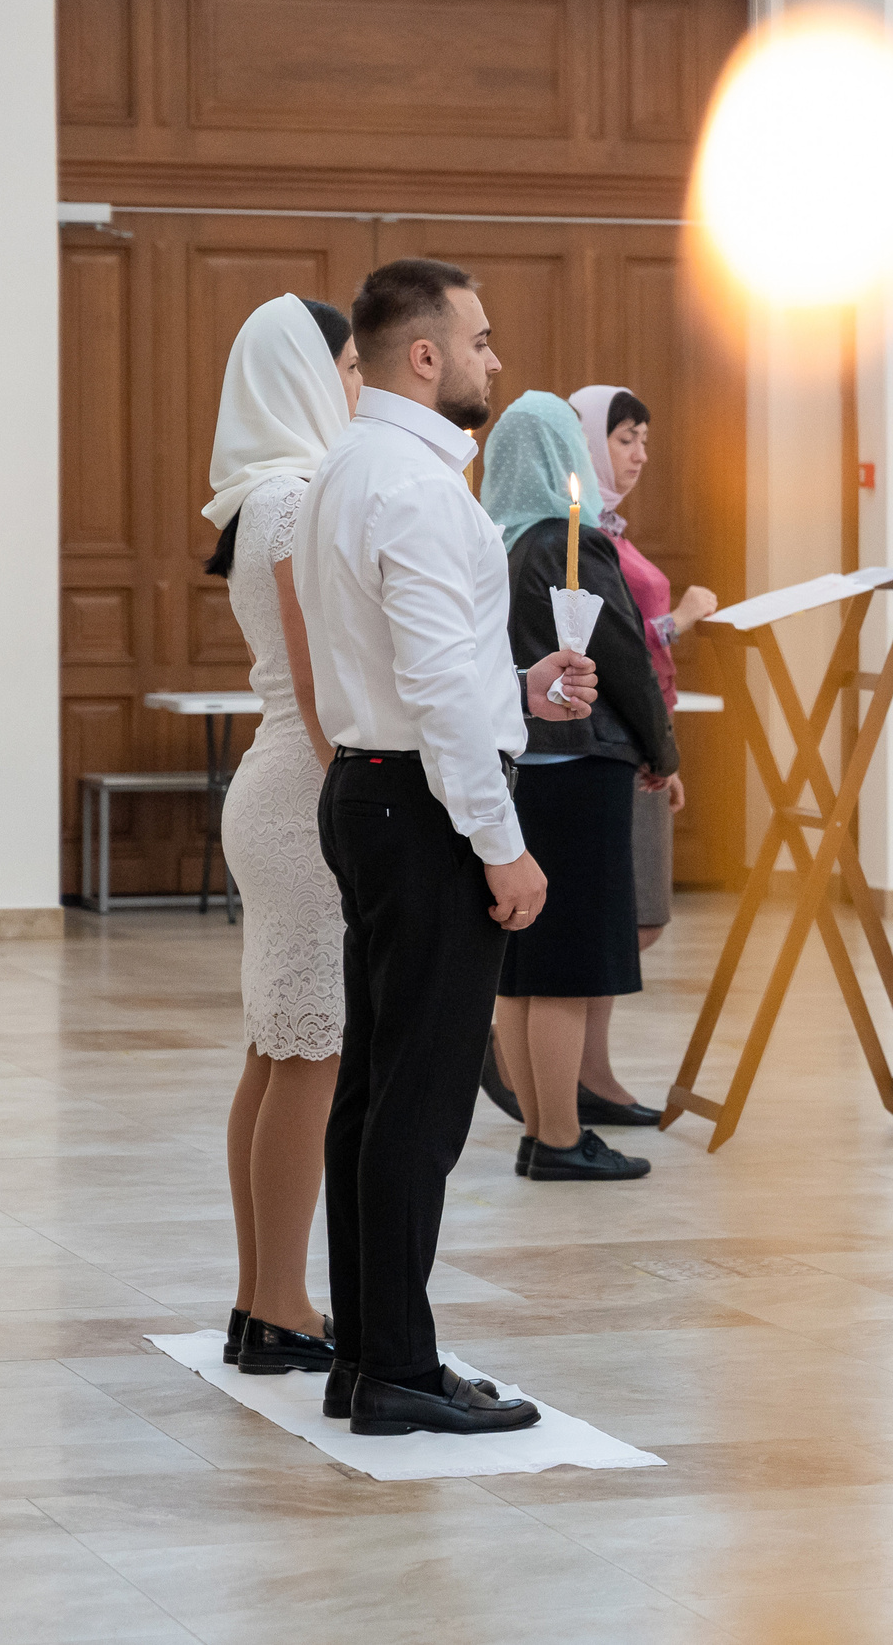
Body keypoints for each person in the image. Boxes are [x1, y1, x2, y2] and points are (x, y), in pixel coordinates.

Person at [298, 258, 596, 1435]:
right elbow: (429, 690)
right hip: (423, 808)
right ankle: (399, 1370)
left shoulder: (353, 464)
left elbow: (409, 669)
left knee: (375, 1090)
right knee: (418, 1103)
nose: (494, 359)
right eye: (478, 340)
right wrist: (501, 843)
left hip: (374, 786)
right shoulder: (417, 487)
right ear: (424, 356)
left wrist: (517, 687)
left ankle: (366, 1354)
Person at [479, 384, 714, 1130]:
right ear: (559, 454)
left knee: (529, 965)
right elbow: (623, 655)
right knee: (569, 964)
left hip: (523, 762)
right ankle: (559, 1136)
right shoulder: (566, 539)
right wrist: (662, 750)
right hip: (582, 759)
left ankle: (542, 1128)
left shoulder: (495, 542)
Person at [204, 294, 360, 1378]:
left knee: (277, 1047)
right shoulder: (297, 499)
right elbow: (318, 683)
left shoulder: (259, 496)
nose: (356, 386)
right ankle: (282, 1305)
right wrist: (368, 791)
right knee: (312, 1053)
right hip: (306, 794)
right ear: (304, 376)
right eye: (348, 368)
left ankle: (261, 1297)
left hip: (272, 788)